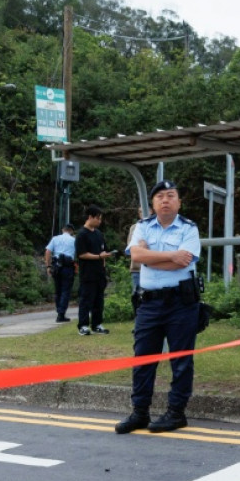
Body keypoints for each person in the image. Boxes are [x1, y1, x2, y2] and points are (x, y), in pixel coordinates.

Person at [115, 180, 202, 435]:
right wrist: (170, 256)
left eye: (171, 195)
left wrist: (152, 258)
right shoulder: (141, 227)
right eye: (160, 196)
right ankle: (140, 412)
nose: (165, 200)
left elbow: (183, 263)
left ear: (179, 202)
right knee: (143, 358)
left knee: (181, 360)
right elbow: (136, 257)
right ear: (152, 203)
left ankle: (176, 413)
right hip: (149, 303)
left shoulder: (189, 228)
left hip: (181, 304)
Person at [75, 205, 113, 335]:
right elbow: (81, 254)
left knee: (99, 300)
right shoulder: (81, 235)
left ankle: (97, 324)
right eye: (98, 218)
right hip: (87, 274)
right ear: (90, 217)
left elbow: (103, 250)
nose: (99, 221)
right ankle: (83, 325)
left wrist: (104, 257)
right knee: (86, 300)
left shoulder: (98, 234)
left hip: (99, 273)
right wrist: (98, 256)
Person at [45, 224, 77, 323]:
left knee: (58, 290)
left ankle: (59, 310)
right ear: (71, 231)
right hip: (68, 267)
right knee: (65, 290)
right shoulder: (74, 240)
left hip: (56, 266)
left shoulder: (55, 238)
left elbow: (48, 251)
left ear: (63, 230)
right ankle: (61, 314)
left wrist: (48, 266)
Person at [126, 207, 147, 315]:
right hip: (137, 268)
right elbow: (130, 246)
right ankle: (138, 320)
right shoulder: (134, 228)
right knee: (136, 294)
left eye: (144, 211)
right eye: (140, 211)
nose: (141, 213)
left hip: (152, 267)